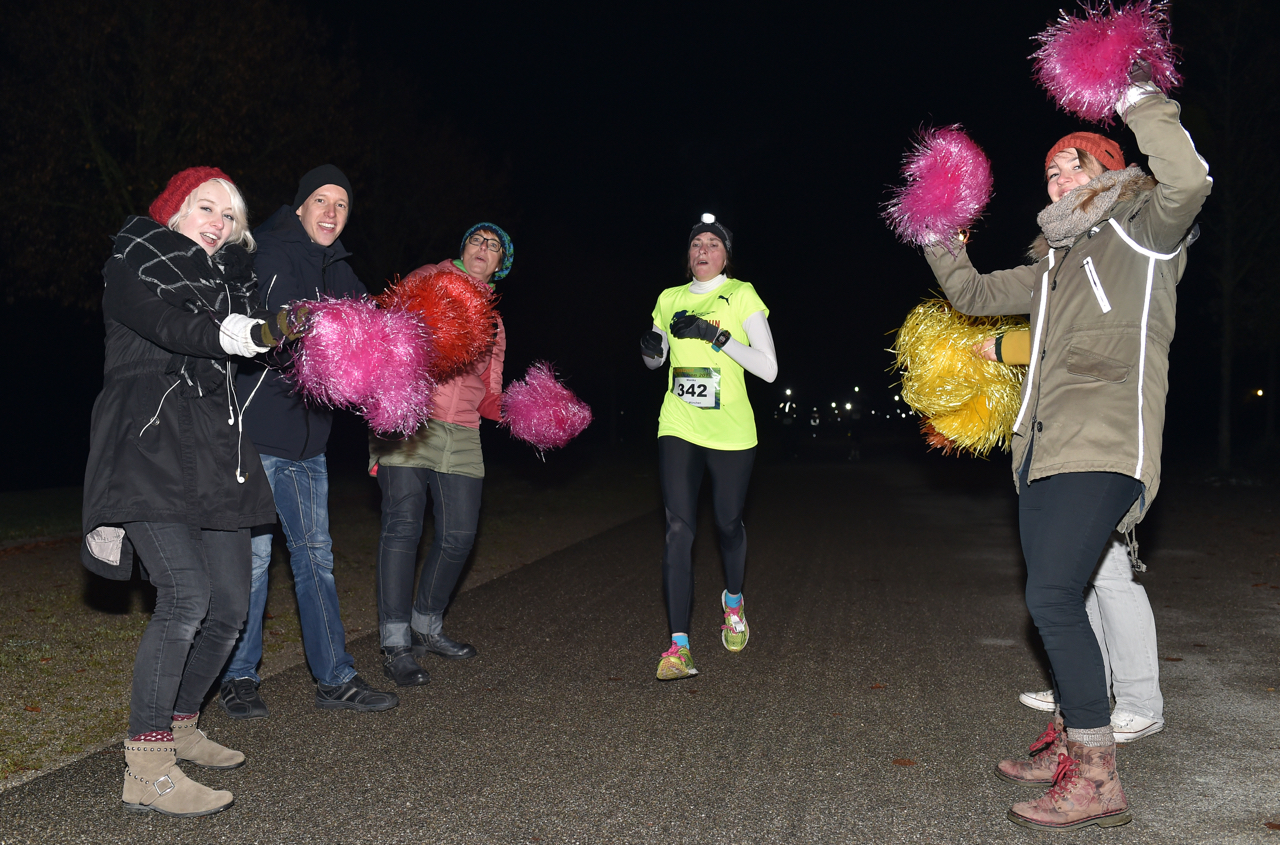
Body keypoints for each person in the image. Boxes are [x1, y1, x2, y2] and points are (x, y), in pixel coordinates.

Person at [923, 68, 1210, 830]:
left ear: (1108, 169)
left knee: (1052, 596)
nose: (1054, 175)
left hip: (1108, 445)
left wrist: (1135, 96)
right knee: (1062, 596)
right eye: (1047, 169)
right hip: (1043, 452)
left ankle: (1097, 772)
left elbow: (1186, 178)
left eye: (1070, 162)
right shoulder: (1054, 264)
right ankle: (1078, 746)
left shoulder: (1142, 228)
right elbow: (977, 296)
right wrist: (935, 235)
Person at [81, 167, 283, 816]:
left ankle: (180, 720)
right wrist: (236, 333)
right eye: (207, 207)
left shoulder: (229, 288)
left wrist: (284, 330)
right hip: (146, 444)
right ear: (175, 209)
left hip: (213, 450)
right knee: (185, 593)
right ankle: (146, 763)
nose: (219, 222)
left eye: (229, 216)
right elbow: (172, 328)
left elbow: (251, 347)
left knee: (230, 605)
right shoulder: (132, 261)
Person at [218, 165, 399, 718]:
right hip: (259, 434)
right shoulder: (271, 251)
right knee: (252, 561)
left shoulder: (337, 265)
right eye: (321, 201)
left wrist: (410, 335)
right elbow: (277, 333)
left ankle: (334, 678)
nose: (330, 213)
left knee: (314, 557)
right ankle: (238, 676)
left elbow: (375, 327)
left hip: (308, 440)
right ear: (300, 207)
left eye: (341, 205)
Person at [979, 333, 1165, 743]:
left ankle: (1140, 703)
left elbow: (1071, 334)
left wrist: (1006, 346)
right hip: (1064, 441)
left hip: (1104, 441)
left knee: (1112, 575)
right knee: (1076, 579)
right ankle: (1082, 689)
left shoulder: (1107, 272)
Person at [369, 223, 513, 686]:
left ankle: (426, 626)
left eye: (494, 247)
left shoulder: (495, 322)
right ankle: (395, 643)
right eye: (477, 240)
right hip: (412, 420)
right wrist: (380, 425)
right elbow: (382, 337)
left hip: (464, 432)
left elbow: (490, 393)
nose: (483, 249)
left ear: (500, 265)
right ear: (464, 247)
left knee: (459, 536)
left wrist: (527, 413)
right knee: (403, 527)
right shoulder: (428, 277)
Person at [641, 214, 778, 680]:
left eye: (712, 244)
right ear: (688, 255)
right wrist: (650, 345)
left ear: (725, 255)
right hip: (678, 424)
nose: (703, 249)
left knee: (728, 524)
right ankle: (679, 647)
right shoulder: (669, 298)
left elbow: (768, 369)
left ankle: (733, 601)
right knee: (678, 528)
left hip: (732, 433)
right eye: (696, 243)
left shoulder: (740, 294)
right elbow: (655, 359)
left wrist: (715, 336)